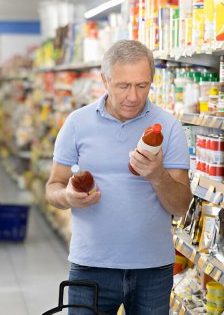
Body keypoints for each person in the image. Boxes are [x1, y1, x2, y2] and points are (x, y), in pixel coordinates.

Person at [45, 40, 193, 314]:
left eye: (142, 85)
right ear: (105, 80)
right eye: (123, 86)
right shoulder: (77, 123)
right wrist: (67, 196)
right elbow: (53, 187)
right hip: (91, 265)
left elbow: (181, 206)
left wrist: (157, 175)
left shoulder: (169, 127)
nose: (134, 96)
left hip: (152, 269)